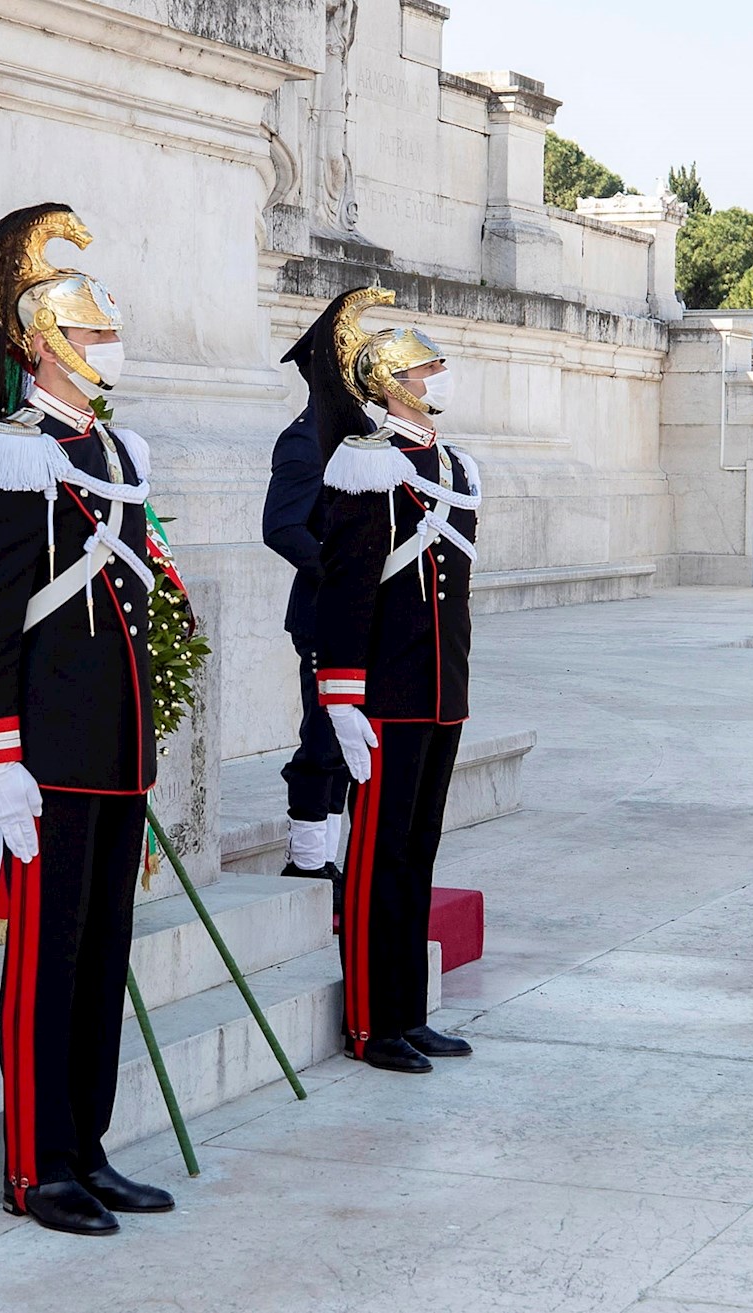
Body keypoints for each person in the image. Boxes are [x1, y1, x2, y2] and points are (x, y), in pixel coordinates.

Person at [0, 203, 174, 1235]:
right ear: (40, 342)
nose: (103, 348)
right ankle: (39, 1168)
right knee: (45, 964)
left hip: (116, 754)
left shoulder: (115, 452)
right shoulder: (9, 452)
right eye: (88, 333)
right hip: (48, 754)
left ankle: (87, 1143)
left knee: (99, 958)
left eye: (104, 332)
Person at [290, 286, 479, 1075]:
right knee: (374, 863)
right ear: (392, 384)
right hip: (387, 699)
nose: (431, 385)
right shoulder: (368, 467)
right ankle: (373, 1022)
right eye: (421, 375)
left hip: (439, 692)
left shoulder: (451, 463)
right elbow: (346, 588)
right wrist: (340, 696)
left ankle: (409, 1009)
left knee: (417, 853)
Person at [261, 390, 355, 919]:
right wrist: (343, 576)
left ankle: (329, 861)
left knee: (345, 746)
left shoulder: (356, 430)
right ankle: (307, 862)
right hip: (324, 611)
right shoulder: (304, 438)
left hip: (360, 615)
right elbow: (281, 527)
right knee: (321, 740)